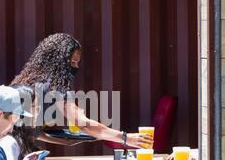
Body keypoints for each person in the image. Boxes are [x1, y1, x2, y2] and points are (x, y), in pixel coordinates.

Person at [11, 33, 153, 149]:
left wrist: (65, 142)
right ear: (58, 62)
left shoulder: (24, 81)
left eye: (77, 63)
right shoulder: (54, 88)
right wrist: (125, 138)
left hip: (5, 149)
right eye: (72, 62)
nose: (76, 67)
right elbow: (83, 124)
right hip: (14, 153)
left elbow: (28, 129)